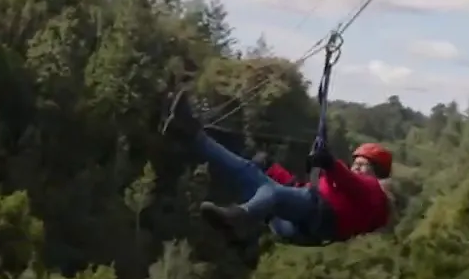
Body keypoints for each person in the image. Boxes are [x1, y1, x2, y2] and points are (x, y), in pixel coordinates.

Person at [166, 91, 393, 246]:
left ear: (378, 173)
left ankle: (239, 218)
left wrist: (330, 163)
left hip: (317, 218)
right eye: (356, 163)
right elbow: (298, 188)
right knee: (248, 172)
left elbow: (351, 183)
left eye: (363, 165)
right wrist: (273, 169)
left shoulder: (375, 195)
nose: (357, 168)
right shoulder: (345, 191)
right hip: (300, 222)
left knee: (272, 194)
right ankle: (190, 134)